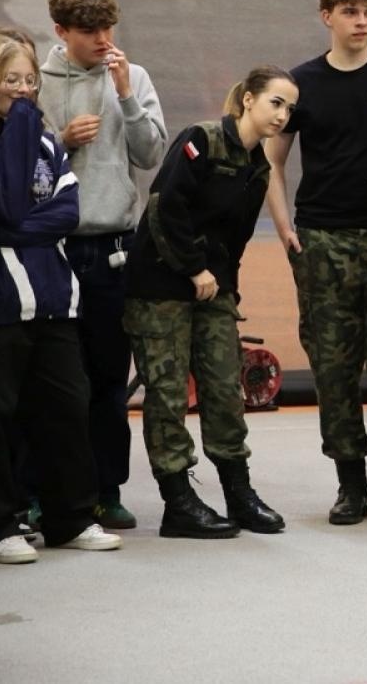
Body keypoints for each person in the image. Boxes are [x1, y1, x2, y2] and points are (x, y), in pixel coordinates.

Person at [0, 34, 123, 565]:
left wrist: (6, 226)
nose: (25, 90)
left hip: (55, 299)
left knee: (66, 408)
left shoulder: (48, 141)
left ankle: (71, 517)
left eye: (30, 81)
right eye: (13, 80)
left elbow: (65, 211)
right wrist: (12, 216)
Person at [263, 0, 367, 526]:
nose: (361, 21)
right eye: (350, 12)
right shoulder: (302, 84)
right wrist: (285, 229)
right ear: (327, 16)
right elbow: (273, 164)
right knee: (333, 364)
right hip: (324, 237)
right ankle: (350, 483)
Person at [123, 66, 296, 539]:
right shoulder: (200, 140)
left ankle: (238, 493)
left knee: (224, 387)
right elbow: (164, 209)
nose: (283, 115)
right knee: (168, 392)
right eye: (275, 103)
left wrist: (227, 288)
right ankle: (178, 502)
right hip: (160, 284)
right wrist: (193, 267)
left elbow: (233, 240)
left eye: (289, 108)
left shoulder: (259, 166)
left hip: (211, 288)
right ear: (248, 101)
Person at [37, 0, 167, 530]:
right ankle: (43, 492)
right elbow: (22, 168)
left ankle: (106, 490)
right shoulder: (36, 83)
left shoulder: (131, 77)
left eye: (108, 28)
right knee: (50, 380)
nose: (102, 39)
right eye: (89, 30)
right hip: (52, 248)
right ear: (61, 32)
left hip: (113, 249)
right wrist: (60, 142)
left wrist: (127, 96)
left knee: (111, 381)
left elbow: (152, 152)